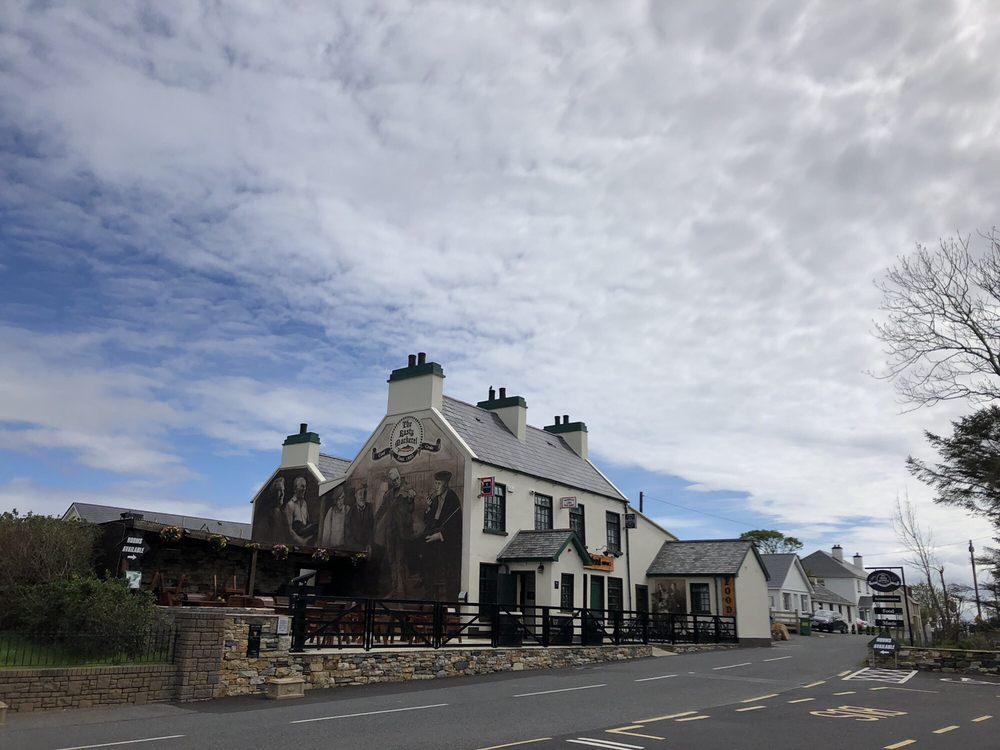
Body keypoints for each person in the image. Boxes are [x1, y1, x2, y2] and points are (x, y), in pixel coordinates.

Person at [422, 470, 462, 599]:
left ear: (446, 484)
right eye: (435, 483)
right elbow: (428, 521)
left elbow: (456, 525)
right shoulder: (434, 500)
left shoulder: (452, 499)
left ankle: (446, 599)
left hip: (447, 543)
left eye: (439, 483)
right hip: (433, 539)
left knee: (447, 573)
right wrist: (428, 508)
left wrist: (439, 535)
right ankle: (428, 588)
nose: (436, 486)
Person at [284, 475, 316, 545]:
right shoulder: (290, 505)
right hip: (296, 543)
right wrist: (302, 542)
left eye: (305, 486)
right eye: (302, 486)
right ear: (295, 489)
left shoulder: (305, 504)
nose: (304, 489)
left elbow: (308, 523)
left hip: (306, 537)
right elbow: (289, 531)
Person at [345, 483, 374, 553]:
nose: (362, 497)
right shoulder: (350, 513)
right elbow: (348, 537)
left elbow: (372, 528)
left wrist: (370, 544)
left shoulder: (369, 508)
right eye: (360, 494)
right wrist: (360, 549)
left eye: (364, 494)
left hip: (368, 548)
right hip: (355, 550)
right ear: (355, 495)